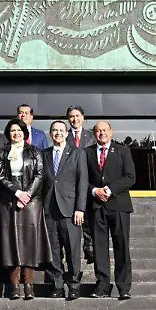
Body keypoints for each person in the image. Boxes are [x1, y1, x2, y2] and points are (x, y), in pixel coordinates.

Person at [0, 118, 50, 300]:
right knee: (12, 244)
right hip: (9, 202)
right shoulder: (1, 153)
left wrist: (27, 195)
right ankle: (15, 286)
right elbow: (0, 176)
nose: (16, 133)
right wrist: (17, 192)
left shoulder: (35, 151)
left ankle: (29, 286)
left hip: (31, 203)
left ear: (25, 133)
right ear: (8, 134)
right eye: (12, 130)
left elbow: (40, 175)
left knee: (29, 244)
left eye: (19, 130)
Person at [86, 121, 136, 300]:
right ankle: (102, 286)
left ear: (111, 132)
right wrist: (94, 191)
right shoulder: (87, 153)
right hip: (96, 207)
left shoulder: (122, 151)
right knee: (99, 248)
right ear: (94, 134)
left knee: (121, 246)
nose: (101, 134)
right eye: (98, 131)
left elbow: (130, 177)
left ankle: (124, 287)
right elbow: (82, 180)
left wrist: (108, 190)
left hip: (119, 205)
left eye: (104, 130)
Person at [42, 121, 87, 301]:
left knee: (72, 251)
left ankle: (74, 286)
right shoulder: (43, 154)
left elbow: (82, 183)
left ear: (67, 133)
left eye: (61, 130)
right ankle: (57, 286)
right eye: (54, 130)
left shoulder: (77, 154)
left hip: (70, 211)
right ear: (50, 134)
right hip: (49, 210)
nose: (58, 133)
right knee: (53, 252)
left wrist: (80, 208)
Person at [65, 104, 95, 265]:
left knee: (89, 216)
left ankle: (89, 248)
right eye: (71, 116)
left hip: (89, 182)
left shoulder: (91, 136)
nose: (75, 119)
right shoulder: (64, 136)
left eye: (77, 116)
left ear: (83, 118)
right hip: (69, 185)